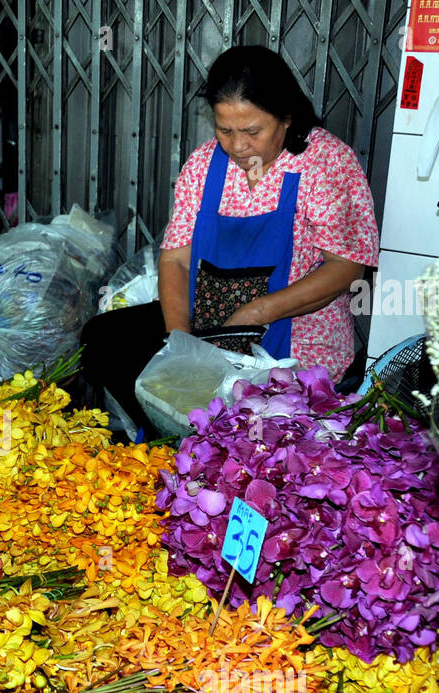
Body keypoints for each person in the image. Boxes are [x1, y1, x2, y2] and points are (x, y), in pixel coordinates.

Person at [80, 45, 380, 434]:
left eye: (252, 131)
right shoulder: (204, 164)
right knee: (105, 339)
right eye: (225, 130)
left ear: (286, 116)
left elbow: (345, 267)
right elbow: (175, 260)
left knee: (260, 428)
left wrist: (258, 313)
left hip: (294, 345)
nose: (238, 146)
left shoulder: (325, 162)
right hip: (212, 331)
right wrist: (181, 345)